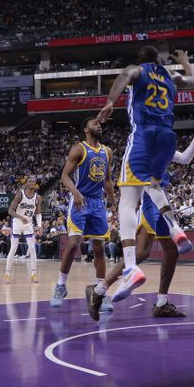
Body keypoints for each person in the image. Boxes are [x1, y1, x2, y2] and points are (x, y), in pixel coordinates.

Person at [94, 46, 194, 302]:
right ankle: (176, 230)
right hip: (168, 136)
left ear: (140, 60)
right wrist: (185, 61)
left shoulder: (137, 70)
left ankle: (130, 268)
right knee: (153, 183)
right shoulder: (169, 75)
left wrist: (110, 101)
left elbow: (123, 77)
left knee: (127, 200)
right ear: (157, 60)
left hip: (145, 135)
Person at [86, 123, 194, 321]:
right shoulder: (142, 150)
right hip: (150, 204)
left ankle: (161, 303)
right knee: (142, 252)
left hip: (160, 202)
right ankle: (99, 290)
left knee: (171, 251)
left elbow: (185, 159)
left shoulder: (162, 148)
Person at [51, 118, 117, 310]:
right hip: (80, 200)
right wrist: (76, 192)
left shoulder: (107, 152)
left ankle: (100, 292)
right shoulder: (79, 149)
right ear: (86, 129)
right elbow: (64, 175)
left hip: (97, 203)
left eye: (101, 124)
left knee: (99, 247)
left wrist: (114, 204)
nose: (100, 126)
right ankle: (61, 286)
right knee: (73, 244)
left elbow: (107, 180)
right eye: (96, 124)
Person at [4, 177, 42, 283]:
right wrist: (20, 217)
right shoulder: (20, 194)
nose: (31, 183)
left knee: (32, 248)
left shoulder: (38, 197)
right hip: (17, 222)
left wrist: (39, 225)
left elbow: (38, 213)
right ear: (25, 184)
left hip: (29, 224)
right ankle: (7, 274)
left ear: (35, 184)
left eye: (33, 181)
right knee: (14, 248)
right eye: (29, 181)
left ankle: (33, 274)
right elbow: (10, 210)